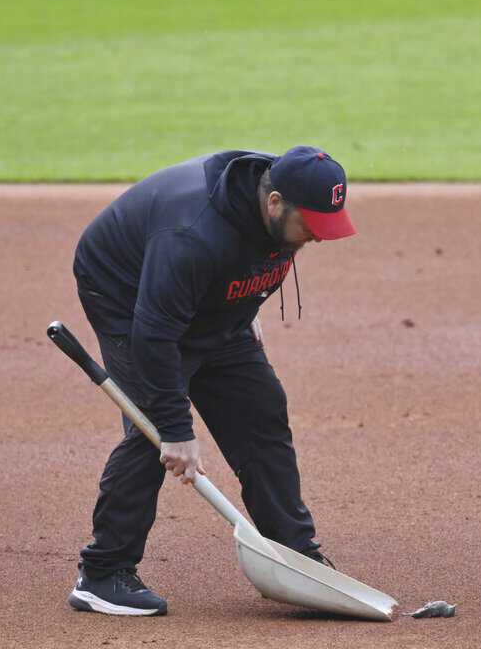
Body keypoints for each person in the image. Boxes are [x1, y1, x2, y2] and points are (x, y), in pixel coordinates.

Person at [66, 146, 357, 614]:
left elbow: (254, 260)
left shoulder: (275, 209)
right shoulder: (193, 234)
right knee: (151, 432)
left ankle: (295, 556)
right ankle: (103, 572)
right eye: (311, 226)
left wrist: (243, 308)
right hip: (128, 293)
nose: (317, 240)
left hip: (204, 300)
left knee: (261, 409)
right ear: (275, 202)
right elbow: (154, 332)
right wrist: (177, 431)